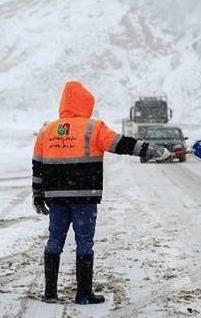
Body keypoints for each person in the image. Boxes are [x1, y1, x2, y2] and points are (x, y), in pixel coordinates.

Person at [32, 81, 170, 305]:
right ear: (86, 104)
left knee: (54, 241)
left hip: (56, 197)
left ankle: (50, 293)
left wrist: (38, 194)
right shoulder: (93, 128)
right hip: (84, 197)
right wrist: (152, 150)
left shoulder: (46, 130)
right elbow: (123, 144)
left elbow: (37, 165)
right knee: (84, 243)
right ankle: (83, 294)